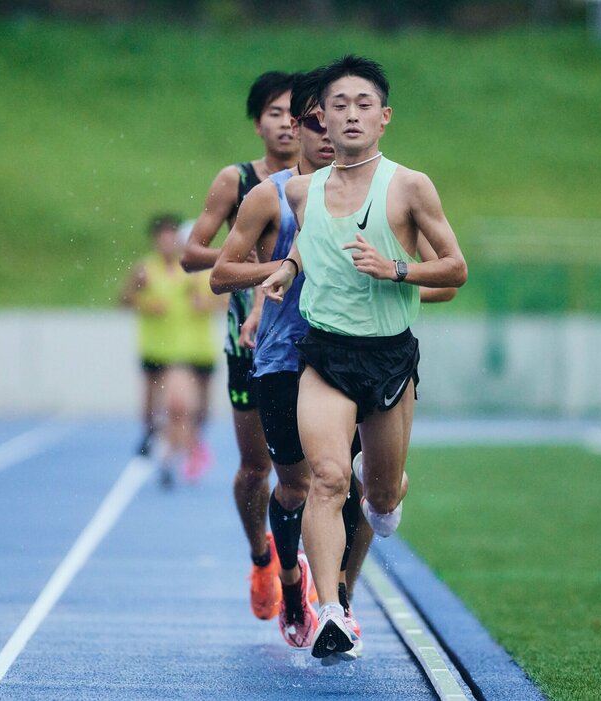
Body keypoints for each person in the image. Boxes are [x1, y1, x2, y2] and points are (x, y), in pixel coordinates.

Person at [212, 68, 459, 651]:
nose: (345, 118)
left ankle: (364, 539)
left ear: (382, 116)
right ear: (311, 120)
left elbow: (453, 271)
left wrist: (393, 272)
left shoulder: (407, 186)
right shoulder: (289, 193)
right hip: (308, 357)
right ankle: (327, 605)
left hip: (388, 359)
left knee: (375, 495)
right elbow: (282, 251)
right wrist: (282, 275)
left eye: (361, 105)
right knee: (319, 480)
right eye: (334, 107)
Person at [180, 71, 300, 619]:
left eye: (296, 114)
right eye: (275, 113)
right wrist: (244, 257)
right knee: (257, 468)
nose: (286, 123)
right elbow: (191, 253)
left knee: (320, 470)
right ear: (258, 123)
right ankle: (261, 557)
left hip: (306, 342)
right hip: (246, 343)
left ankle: (320, 584)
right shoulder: (238, 180)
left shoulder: (325, 181)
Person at [120, 214, 219, 488]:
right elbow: (124, 300)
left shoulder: (194, 270)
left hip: (198, 350)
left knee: (197, 412)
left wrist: (204, 304)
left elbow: (220, 301)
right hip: (162, 351)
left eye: (171, 237)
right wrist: (141, 301)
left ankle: (183, 445)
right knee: (169, 408)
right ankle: (167, 450)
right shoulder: (145, 269)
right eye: (161, 237)